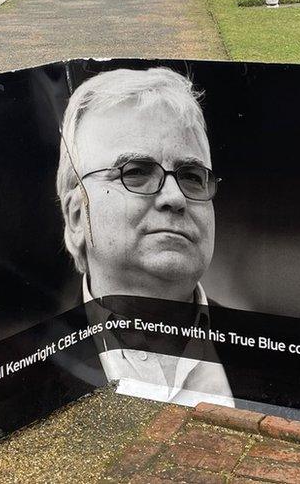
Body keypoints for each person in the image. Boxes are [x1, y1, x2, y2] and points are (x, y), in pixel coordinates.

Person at [56, 67, 233, 407]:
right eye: (136, 173)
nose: (175, 198)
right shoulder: (21, 376)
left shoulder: (289, 356)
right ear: (77, 216)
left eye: (192, 177)